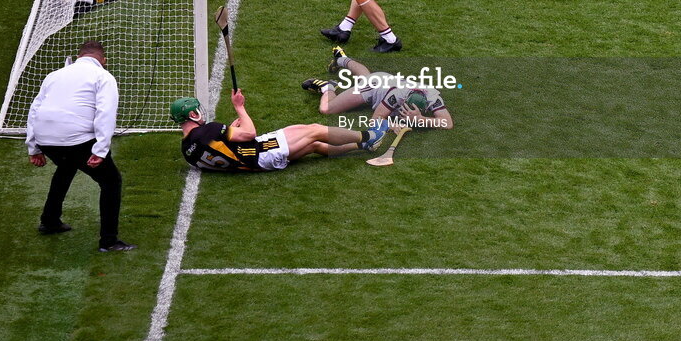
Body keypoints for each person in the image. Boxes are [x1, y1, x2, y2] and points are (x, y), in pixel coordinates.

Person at [26, 40, 135, 253]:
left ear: (78, 57)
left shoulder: (54, 75)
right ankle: (109, 241)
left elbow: (34, 110)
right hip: (77, 140)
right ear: (103, 61)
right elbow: (105, 113)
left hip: (45, 138)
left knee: (66, 167)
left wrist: (34, 148)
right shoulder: (103, 76)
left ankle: (49, 220)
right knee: (111, 182)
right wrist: (100, 151)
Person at [171, 87, 390, 172]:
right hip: (260, 151)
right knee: (314, 130)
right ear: (193, 115)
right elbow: (249, 134)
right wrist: (240, 108)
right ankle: (369, 136)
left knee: (313, 144)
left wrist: (227, 131)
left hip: (252, 162)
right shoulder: (208, 130)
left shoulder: (188, 150)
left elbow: (220, 149)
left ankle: (361, 146)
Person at [302, 45, 454, 130]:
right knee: (327, 109)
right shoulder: (397, 95)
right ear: (403, 101)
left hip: (384, 80)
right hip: (374, 86)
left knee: (365, 76)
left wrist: (421, 119)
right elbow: (375, 119)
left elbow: (447, 123)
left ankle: (342, 59)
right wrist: (391, 125)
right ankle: (328, 87)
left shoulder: (432, 96)